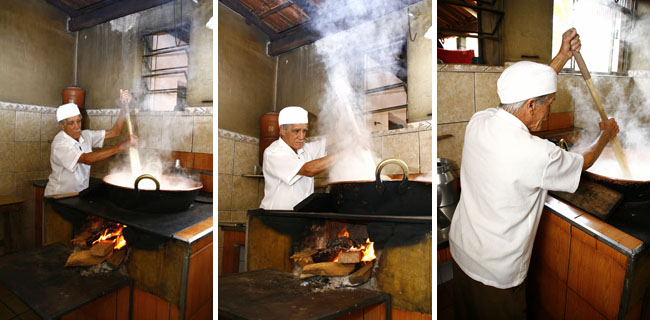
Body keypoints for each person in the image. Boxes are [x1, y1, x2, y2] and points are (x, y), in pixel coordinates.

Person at [448, 28, 620, 319]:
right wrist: (606, 136)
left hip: (461, 253)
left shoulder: (481, 121)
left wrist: (562, 57)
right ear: (530, 106)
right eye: (548, 104)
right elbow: (583, 161)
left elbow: (528, 93)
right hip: (496, 277)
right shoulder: (536, 154)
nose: (549, 111)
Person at [44, 90, 137, 197]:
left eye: (78, 121)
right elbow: (87, 159)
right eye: (71, 123)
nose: (77, 126)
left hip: (78, 194)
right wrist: (121, 146)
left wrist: (124, 107)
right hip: (58, 196)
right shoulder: (60, 144)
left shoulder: (86, 135)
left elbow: (115, 132)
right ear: (61, 125)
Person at [260, 106, 337, 210]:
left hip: (299, 217)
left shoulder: (306, 149)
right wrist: (343, 155)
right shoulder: (273, 152)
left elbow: (330, 140)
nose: (301, 137)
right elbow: (308, 170)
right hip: (275, 218)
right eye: (296, 131)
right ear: (282, 130)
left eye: (304, 131)